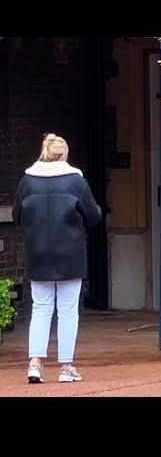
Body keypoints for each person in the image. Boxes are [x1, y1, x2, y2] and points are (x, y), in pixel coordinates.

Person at [12, 133, 102, 383]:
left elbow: (16, 214)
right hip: (70, 254)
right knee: (67, 311)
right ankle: (66, 367)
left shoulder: (26, 181)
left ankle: (35, 363)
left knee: (40, 309)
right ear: (64, 154)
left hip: (37, 252)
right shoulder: (75, 181)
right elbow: (93, 216)